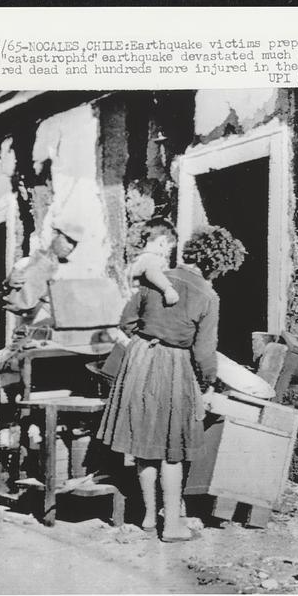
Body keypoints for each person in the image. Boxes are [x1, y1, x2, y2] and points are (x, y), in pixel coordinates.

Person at [98, 227, 246, 542]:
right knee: (172, 451)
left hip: (139, 362)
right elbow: (204, 352)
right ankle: (173, 526)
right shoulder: (208, 295)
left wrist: (150, 331)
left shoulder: (154, 280)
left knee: (145, 448)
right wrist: (207, 383)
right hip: (175, 367)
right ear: (215, 264)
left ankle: (149, 518)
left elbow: (125, 322)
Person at [0, 214, 84, 400]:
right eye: (67, 240)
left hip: (65, 337)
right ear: (56, 235)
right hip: (32, 334)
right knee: (19, 376)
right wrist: (9, 284)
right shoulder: (28, 264)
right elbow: (7, 301)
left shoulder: (73, 270)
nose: (70, 247)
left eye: (74, 244)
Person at [128, 217, 180, 306]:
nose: (168, 255)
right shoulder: (152, 258)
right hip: (135, 306)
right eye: (170, 249)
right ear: (163, 242)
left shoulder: (139, 259)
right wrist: (167, 289)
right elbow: (152, 271)